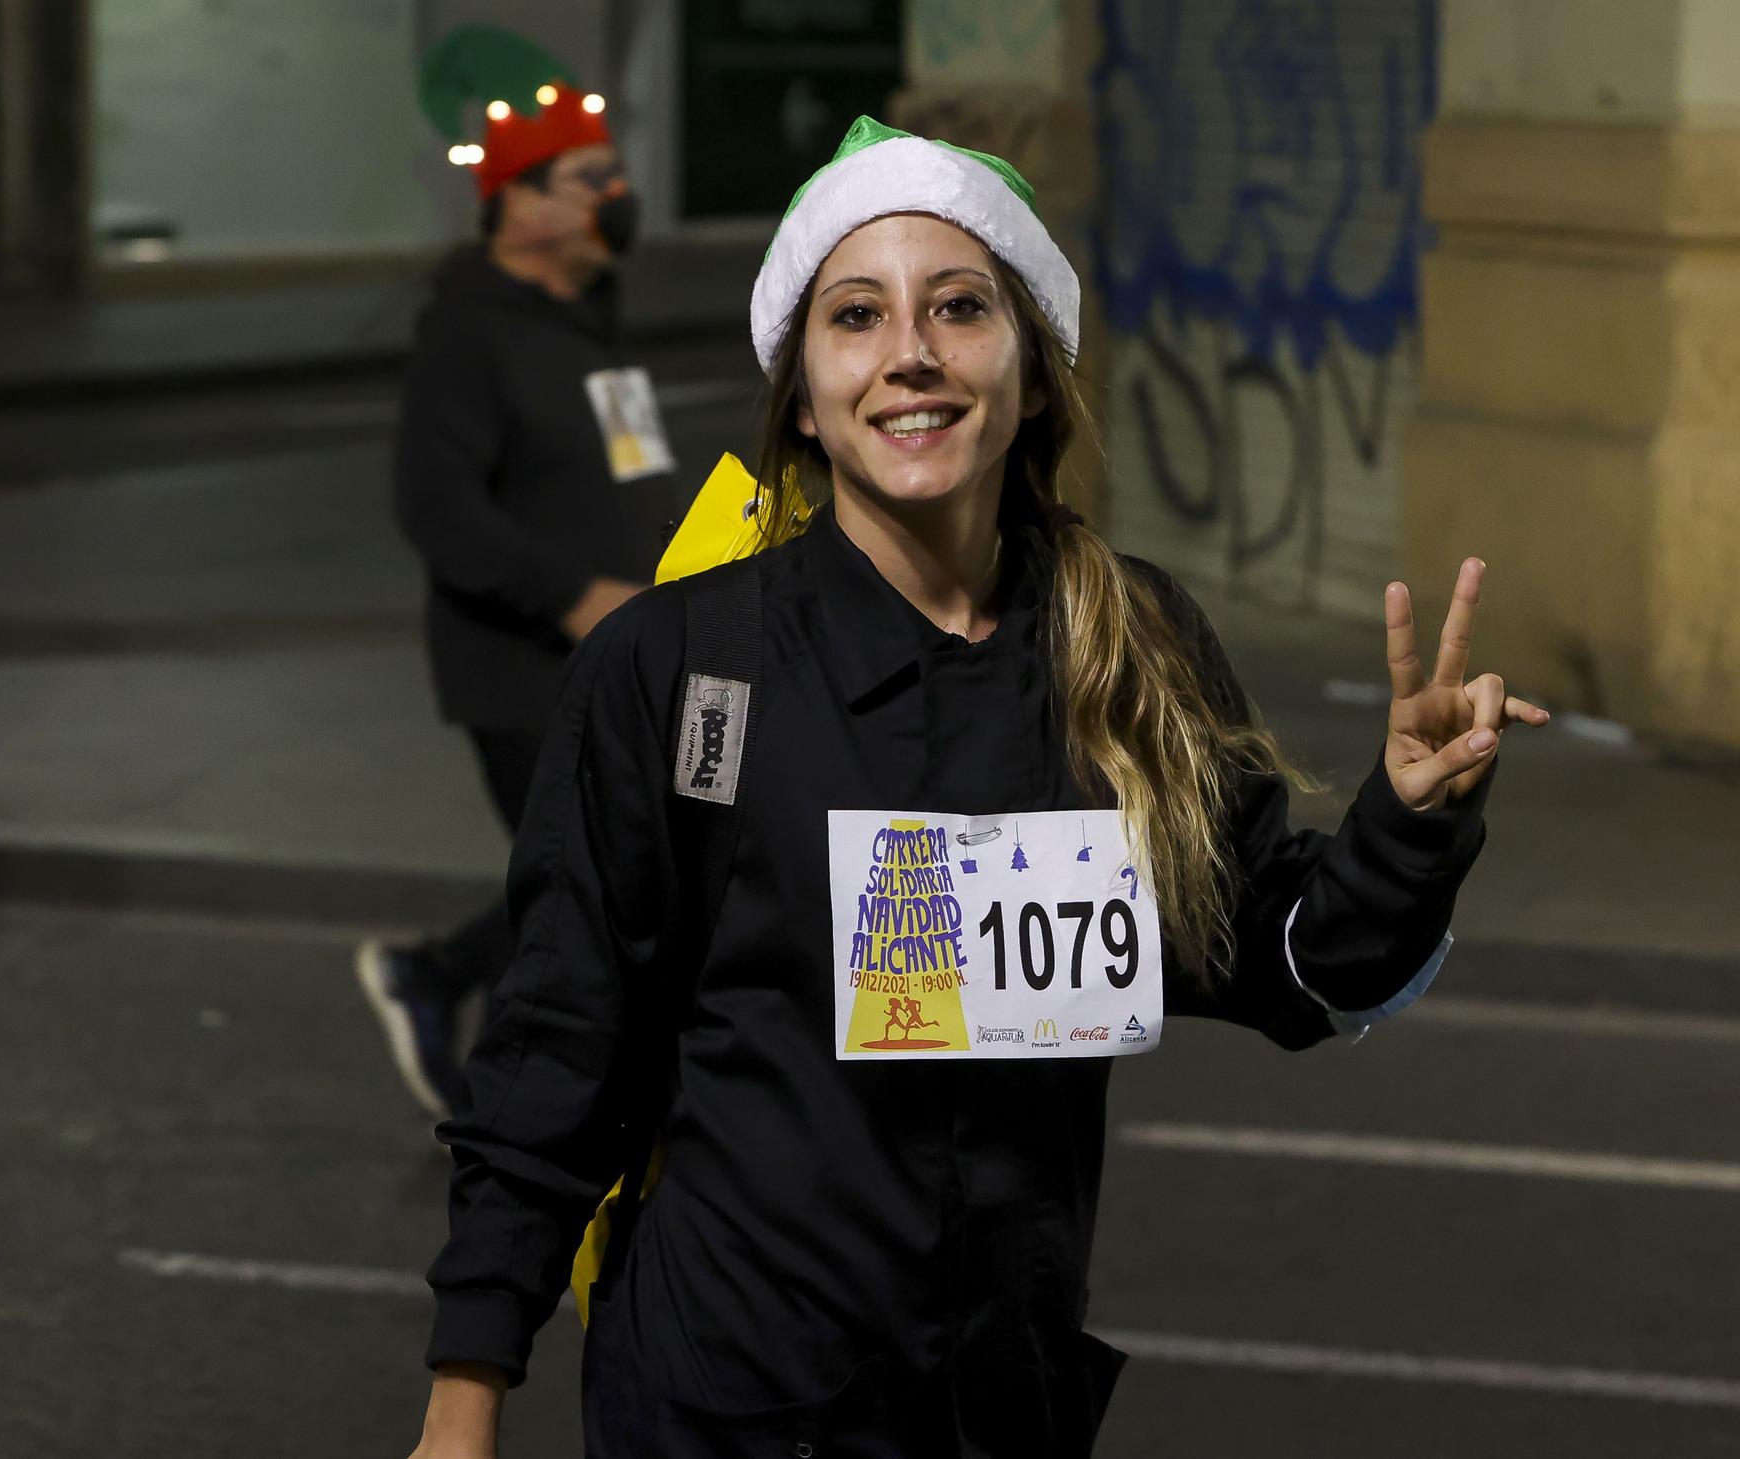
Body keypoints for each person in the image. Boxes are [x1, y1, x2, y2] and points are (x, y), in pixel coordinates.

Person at [403, 116, 1551, 1458]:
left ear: (1034, 371)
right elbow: (560, 1043)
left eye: (959, 306)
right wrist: (464, 1396)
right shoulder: (676, 664)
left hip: (997, 1407)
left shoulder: (1135, 642)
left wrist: (1408, 817)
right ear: (803, 388)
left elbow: (1291, 962)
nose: (911, 354)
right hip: (722, 1402)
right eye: (856, 315)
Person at [357, 56, 681, 1121]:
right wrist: (575, 592)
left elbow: (628, 470)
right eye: (590, 177)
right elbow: (438, 510)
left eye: (614, 173)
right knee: (605, 878)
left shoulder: (584, 318)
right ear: (520, 204)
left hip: (619, 659)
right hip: (522, 669)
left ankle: (496, 1057)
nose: (615, 195)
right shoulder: (467, 333)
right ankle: (441, 980)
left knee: (600, 885)